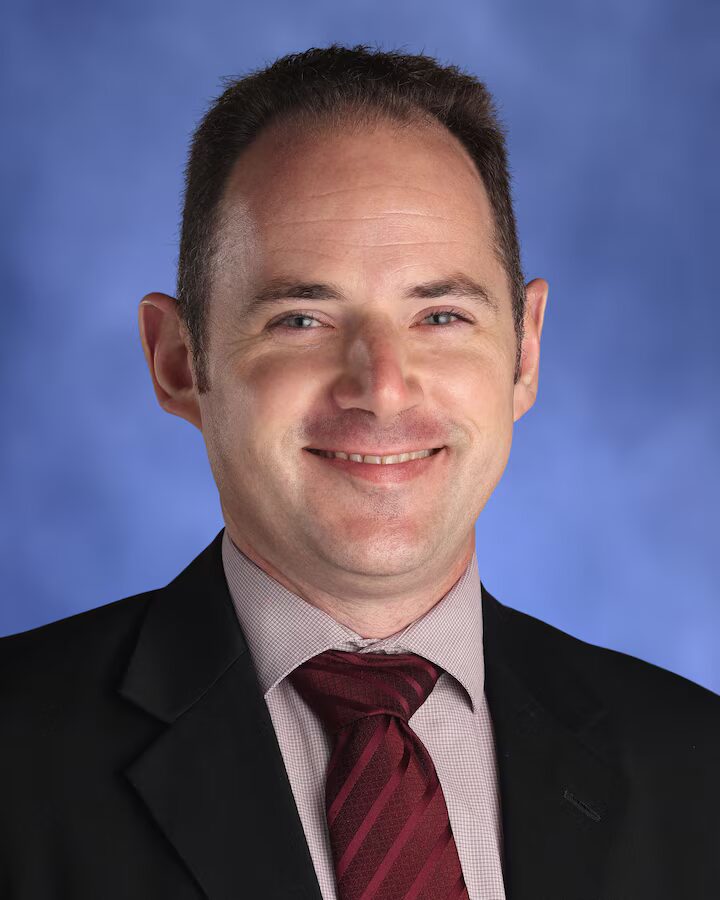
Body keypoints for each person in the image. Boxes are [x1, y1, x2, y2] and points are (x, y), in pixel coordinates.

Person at [1, 44, 718, 900]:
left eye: (441, 314)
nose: (380, 388)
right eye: (301, 318)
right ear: (179, 362)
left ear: (524, 352)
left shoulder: (696, 766)